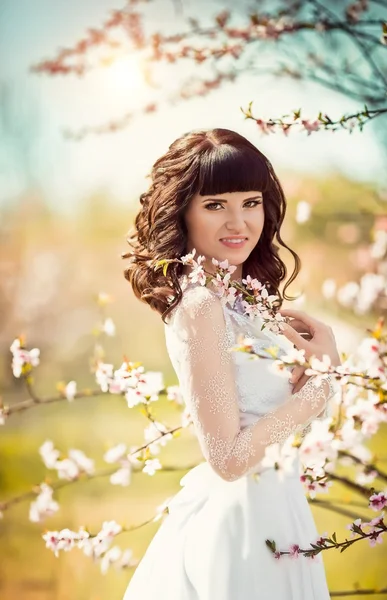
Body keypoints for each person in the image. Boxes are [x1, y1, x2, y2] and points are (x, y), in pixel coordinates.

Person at [121, 128, 341, 599]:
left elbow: (289, 423)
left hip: (281, 513)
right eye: (216, 205)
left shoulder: (248, 304)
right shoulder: (201, 306)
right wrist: (319, 388)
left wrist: (326, 361)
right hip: (241, 528)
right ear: (182, 211)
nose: (238, 222)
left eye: (251, 202)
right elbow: (226, 458)